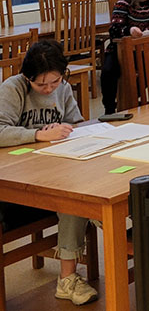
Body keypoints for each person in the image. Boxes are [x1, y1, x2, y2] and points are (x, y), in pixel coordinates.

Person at [0, 41, 98, 305]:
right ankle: (68, 278)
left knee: (81, 188)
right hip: (17, 179)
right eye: (41, 85)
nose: (48, 89)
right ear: (26, 76)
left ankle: (68, 277)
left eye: (54, 82)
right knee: (73, 197)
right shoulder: (12, 89)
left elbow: (76, 122)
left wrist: (73, 131)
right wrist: (38, 135)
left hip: (53, 166)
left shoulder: (63, 87)